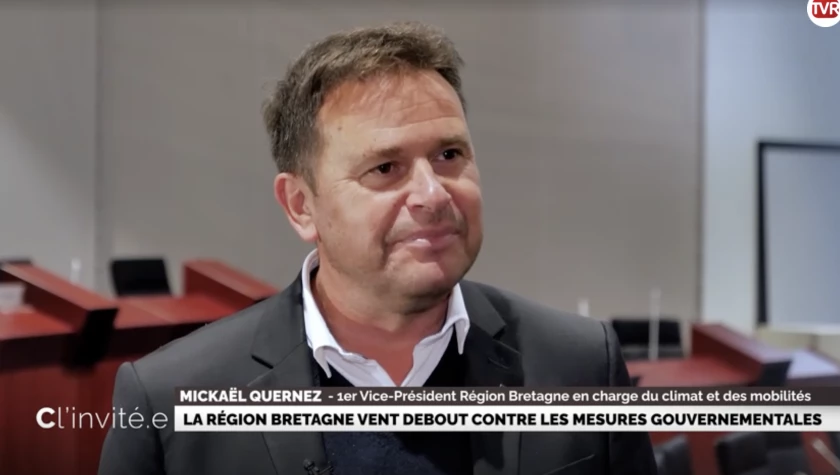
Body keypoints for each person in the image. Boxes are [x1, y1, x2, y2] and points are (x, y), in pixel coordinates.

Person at [99, 21, 657, 475]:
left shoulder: (581, 363)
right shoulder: (169, 401)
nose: (433, 195)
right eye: (386, 168)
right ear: (301, 205)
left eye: (449, 155)